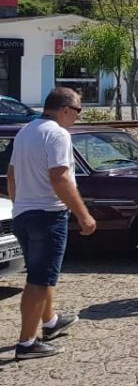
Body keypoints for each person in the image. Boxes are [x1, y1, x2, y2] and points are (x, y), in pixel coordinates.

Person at [8, 88, 96, 360]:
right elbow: (60, 177)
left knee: (41, 274)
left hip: (24, 212)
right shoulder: (58, 134)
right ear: (66, 109)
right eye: (79, 111)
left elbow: (12, 174)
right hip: (48, 214)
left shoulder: (25, 131)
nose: (79, 117)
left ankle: (50, 322)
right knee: (39, 280)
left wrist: (20, 204)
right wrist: (83, 214)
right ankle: (26, 343)